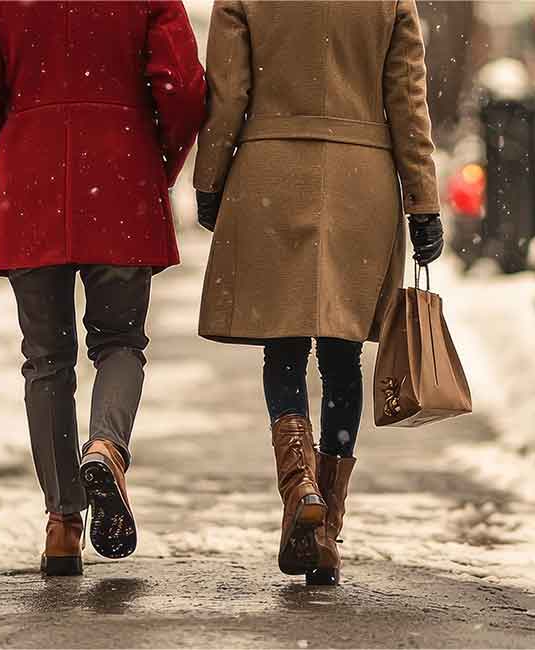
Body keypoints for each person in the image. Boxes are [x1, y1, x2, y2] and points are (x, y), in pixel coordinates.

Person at [191, 0, 445, 586]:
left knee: (282, 347)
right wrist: (423, 201)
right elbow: (408, 101)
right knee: (341, 355)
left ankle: (298, 488)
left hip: (269, 174)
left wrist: (209, 178)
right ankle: (327, 528)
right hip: (363, 183)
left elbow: (226, 93)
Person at [0, 0, 206, 577]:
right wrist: (158, 155)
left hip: (31, 173)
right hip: (120, 169)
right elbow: (182, 87)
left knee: (45, 360)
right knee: (120, 341)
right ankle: (105, 448)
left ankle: (62, 523)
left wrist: (9, 148)